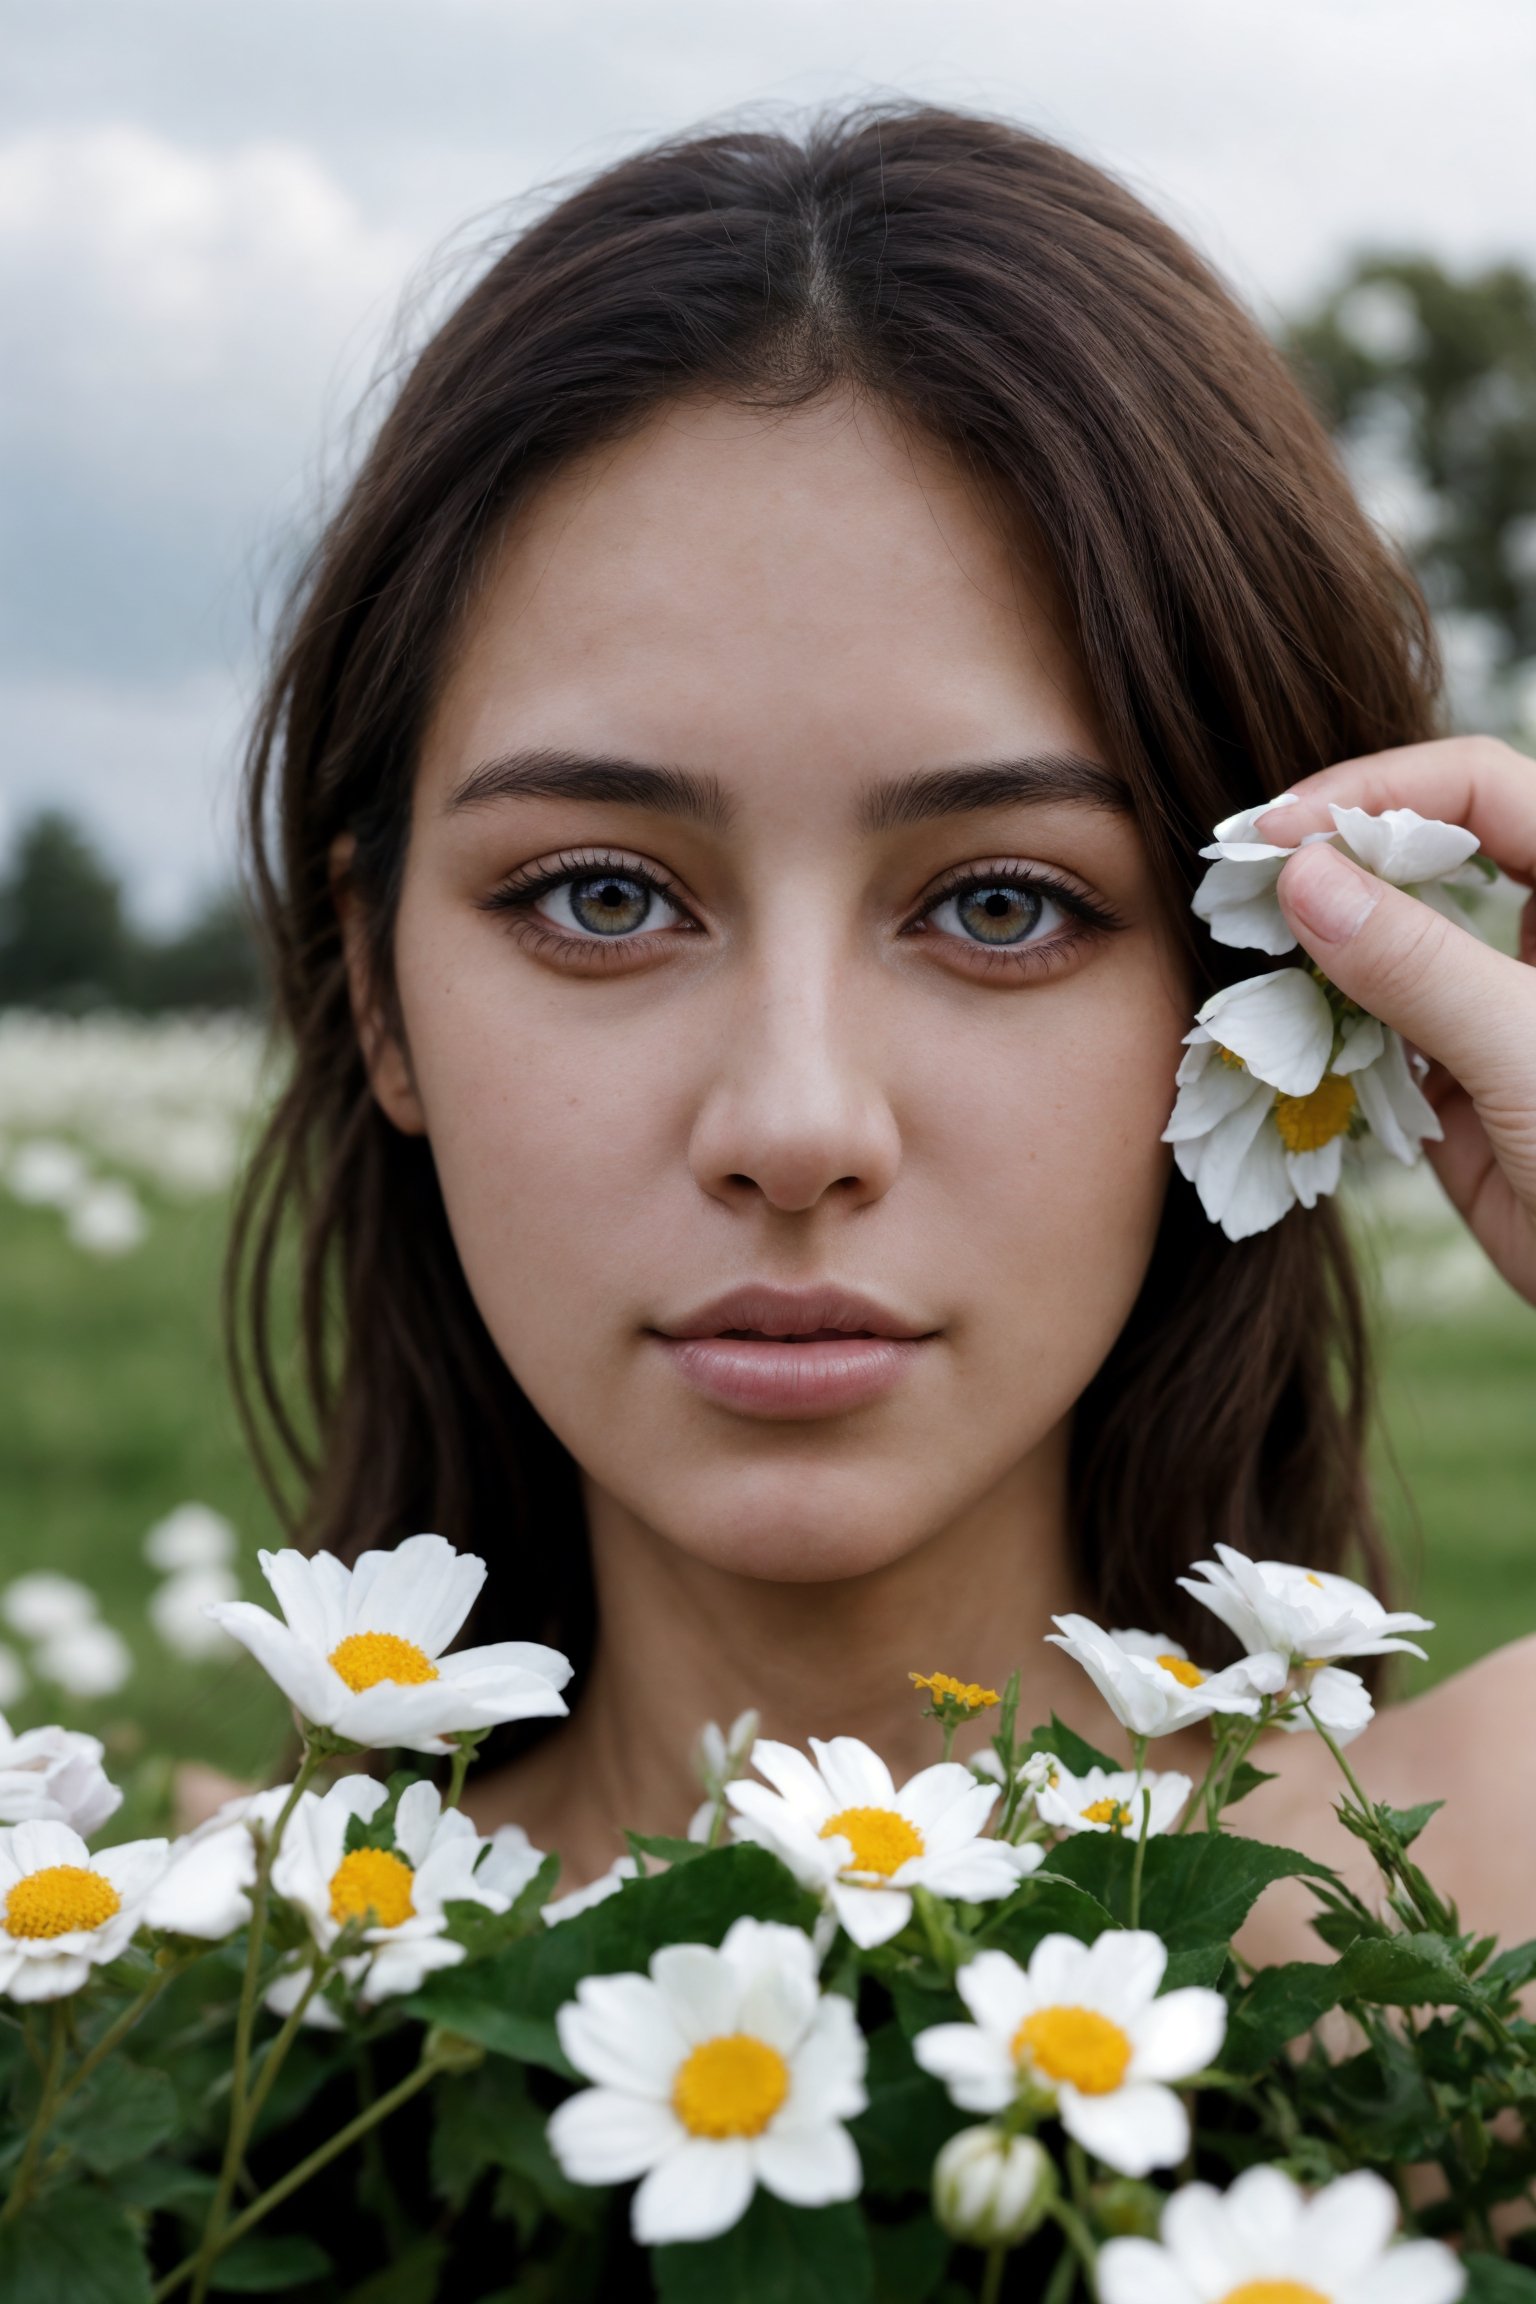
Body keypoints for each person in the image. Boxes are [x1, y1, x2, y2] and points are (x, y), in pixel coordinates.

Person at [233, 108, 1536, 1960]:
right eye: (604, 896)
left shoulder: (1477, 1934)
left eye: (1001, 903)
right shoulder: (166, 2001)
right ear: (378, 991)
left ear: (1279, 992)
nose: (792, 1121)